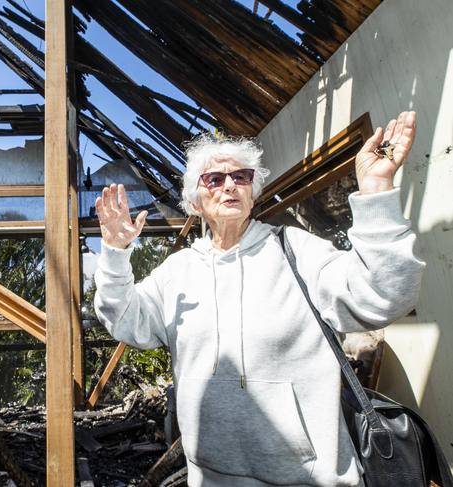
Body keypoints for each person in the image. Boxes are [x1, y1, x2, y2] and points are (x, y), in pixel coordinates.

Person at [93, 111, 425, 486]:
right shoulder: (178, 271)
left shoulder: (295, 250)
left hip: (308, 478)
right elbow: (124, 321)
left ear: (253, 190)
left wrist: (376, 189)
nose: (229, 185)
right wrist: (116, 252)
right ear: (196, 201)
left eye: (241, 176)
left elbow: (383, 294)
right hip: (211, 478)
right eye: (214, 179)